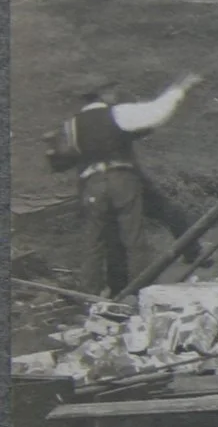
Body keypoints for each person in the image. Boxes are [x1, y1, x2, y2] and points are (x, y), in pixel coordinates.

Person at [49, 73, 199, 295]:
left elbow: (61, 160)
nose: (115, 94)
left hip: (91, 184)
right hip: (121, 179)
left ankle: (91, 294)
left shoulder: (71, 125)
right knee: (133, 235)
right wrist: (180, 89)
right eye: (111, 90)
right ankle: (142, 289)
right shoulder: (117, 113)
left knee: (96, 241)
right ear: (104, 94)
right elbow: (156, 113)